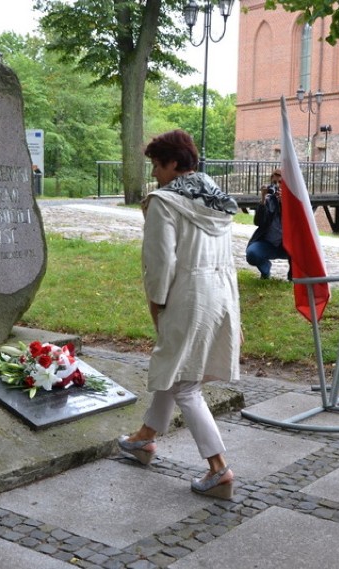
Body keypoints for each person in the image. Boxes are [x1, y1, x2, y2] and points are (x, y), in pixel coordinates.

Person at [118, 130, 241, 500]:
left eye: (157, 164)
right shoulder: (216, 199)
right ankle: (144, 439)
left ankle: (219, 468)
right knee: (177, 369)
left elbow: (160, 262)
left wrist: (155, 302)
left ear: (173, 164)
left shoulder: (164, 202)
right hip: (219, 293)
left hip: (186, 294)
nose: (154, 173)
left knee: (186, 384)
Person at [245, 169, 291, 279]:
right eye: (274, 183)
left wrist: (284, 204)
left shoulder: (293, 201)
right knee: (252, 254)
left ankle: (292, 277)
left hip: (287, 245)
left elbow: (296, 223)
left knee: (301, 251)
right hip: (268, 243)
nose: (277, 186)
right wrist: (262, 200)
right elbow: (258, 222)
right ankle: (265, 271)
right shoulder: (269, 200)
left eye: (280, 182)